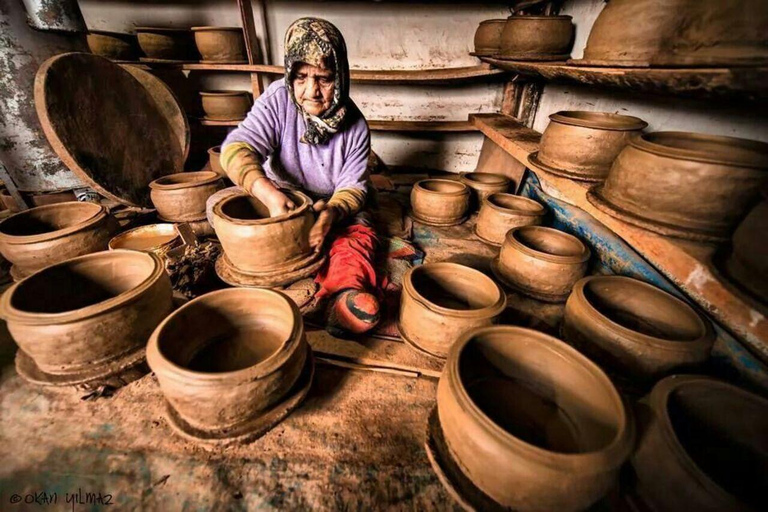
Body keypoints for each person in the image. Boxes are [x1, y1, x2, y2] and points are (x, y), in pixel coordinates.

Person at [210, 17, 380, 336]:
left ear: (340, 77)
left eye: (324, 79)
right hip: (280, 200)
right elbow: (236, 148)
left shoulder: (355, 126)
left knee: (359, 236)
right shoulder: (279, 99)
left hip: (328, 209)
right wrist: (267, 192)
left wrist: (331, 213)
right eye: (301, 77)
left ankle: (343, 294)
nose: (311, 91)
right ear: (290, 74)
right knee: (218, 208)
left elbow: (352, 187)